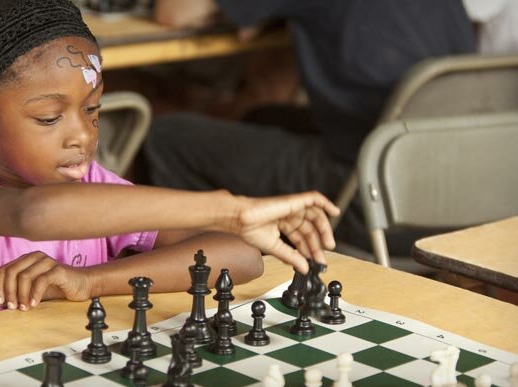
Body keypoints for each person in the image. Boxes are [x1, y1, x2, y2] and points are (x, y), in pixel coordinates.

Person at [0, 0, 340, 329]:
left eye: (93, 110)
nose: (83, 135)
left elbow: (242, 258)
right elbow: (33, 214)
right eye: (49, 118)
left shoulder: (94, 186)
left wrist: (88, 281)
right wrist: (230, 210)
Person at [144, 0, 477, 251]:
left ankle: (213, 271)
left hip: (378, 207)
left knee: (167, 137)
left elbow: (175, 12)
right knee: (261, 117)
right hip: (469, 199)